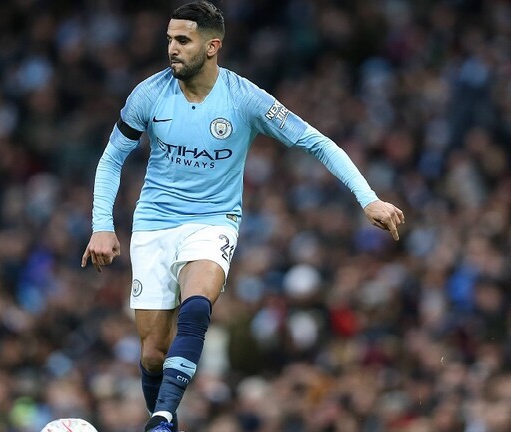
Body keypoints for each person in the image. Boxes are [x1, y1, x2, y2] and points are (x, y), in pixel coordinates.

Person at [80, 2, 405, 431]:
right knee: (153, 353)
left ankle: (162, 418)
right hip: (154, 222)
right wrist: (102, 226)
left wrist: (369, 199)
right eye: (169, 39)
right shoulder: (148, 95)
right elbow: (111, 159)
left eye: (183, 40)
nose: (172, 49)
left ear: (212, 46)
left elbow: (316, 142)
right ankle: (164, 416)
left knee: (197, 304)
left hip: (213, 220)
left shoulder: (245, 98)